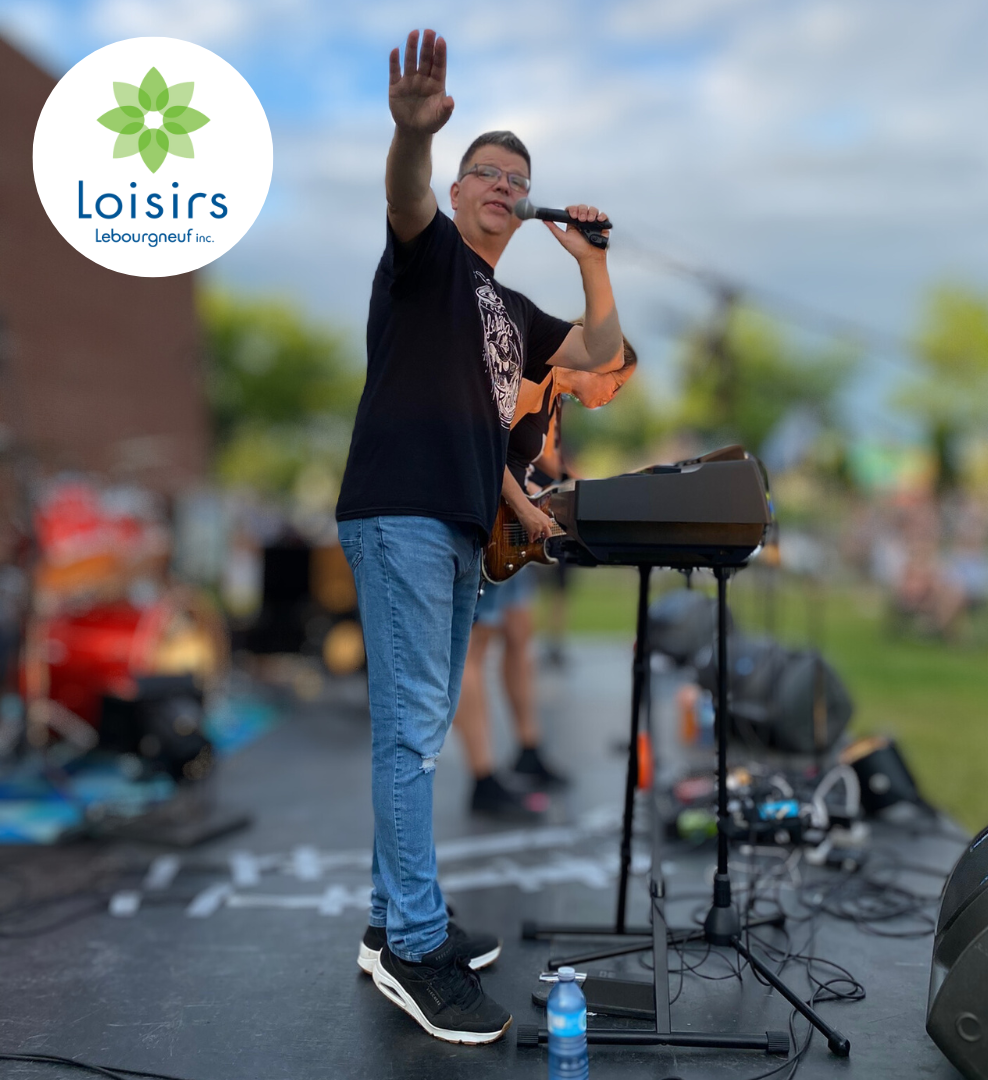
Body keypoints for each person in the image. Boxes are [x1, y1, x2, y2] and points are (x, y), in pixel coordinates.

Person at [334, 29, 624, 1045]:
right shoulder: (430, 258)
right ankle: (415, 944)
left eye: (519, 177)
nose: (503, 184)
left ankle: (390, 923)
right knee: (414, 731)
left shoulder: (510, 306)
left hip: (459, 522)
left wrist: (590, 262)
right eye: (486, 172)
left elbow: (598, 349)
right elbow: (403, 192)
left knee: (418, 724)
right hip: (401, 510)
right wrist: (411, 133)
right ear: (458, 192)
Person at [455, 344, 638, 819]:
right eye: (615, 383)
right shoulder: (531, 383)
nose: (614, 395)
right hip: (493, 526)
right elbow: (484, 449)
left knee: (519, 635)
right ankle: (482, 776)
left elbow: (546, 469)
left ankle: (528, 749)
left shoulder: (554, 399)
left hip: (517, 528)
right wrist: (523, 504)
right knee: (474, 651)